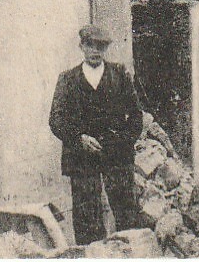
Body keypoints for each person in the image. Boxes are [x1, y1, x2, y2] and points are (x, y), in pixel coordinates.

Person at [49, 24, 143, 245]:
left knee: (127, 213)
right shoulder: (68, 79)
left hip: (117, 157)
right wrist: (78, 138)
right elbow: (56, 119)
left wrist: (121, 142)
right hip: (81, 158)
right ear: (81, 46)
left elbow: (136, 116)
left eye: (101, 46)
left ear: (106, 49)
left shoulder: (119, 74)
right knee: (86, 217)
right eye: (90, 45)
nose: (95, 50)